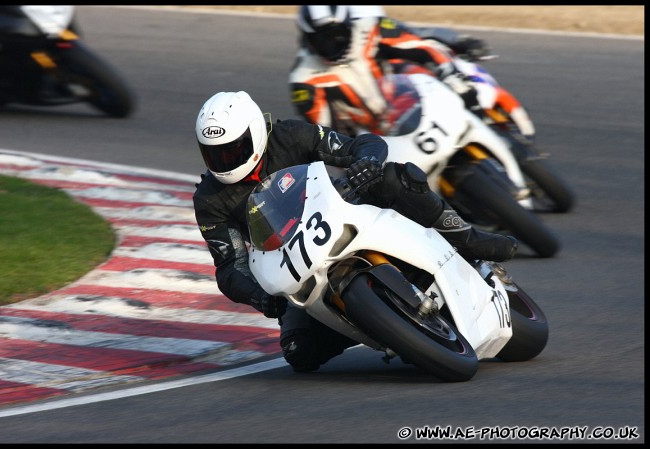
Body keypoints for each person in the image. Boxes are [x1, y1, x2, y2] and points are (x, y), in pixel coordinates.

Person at [192, 90, 518, 373]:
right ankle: (389, 330)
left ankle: (467, 239)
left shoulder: (288, 135)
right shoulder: (209, 200)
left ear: (256, 132)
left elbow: (363, 144)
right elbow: (229, 266)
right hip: (292, 259)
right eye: (215, 153)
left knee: (394, 177)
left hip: (339, 206)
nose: (225, 160)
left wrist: (366, 163)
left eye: (233, 149)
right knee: (299, 353)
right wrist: (258, 296)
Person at [289, 5, 534, 139]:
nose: (335, 43)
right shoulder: (304, 81)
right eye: (325, 39)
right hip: (382, 135)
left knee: (448, 64)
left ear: (349, 24)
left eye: (340, 34)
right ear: (308, 38)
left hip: (410, 97)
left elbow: (420, 47)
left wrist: (452, 76)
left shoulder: (369, 27)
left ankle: (507, 125)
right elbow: (324, 134)